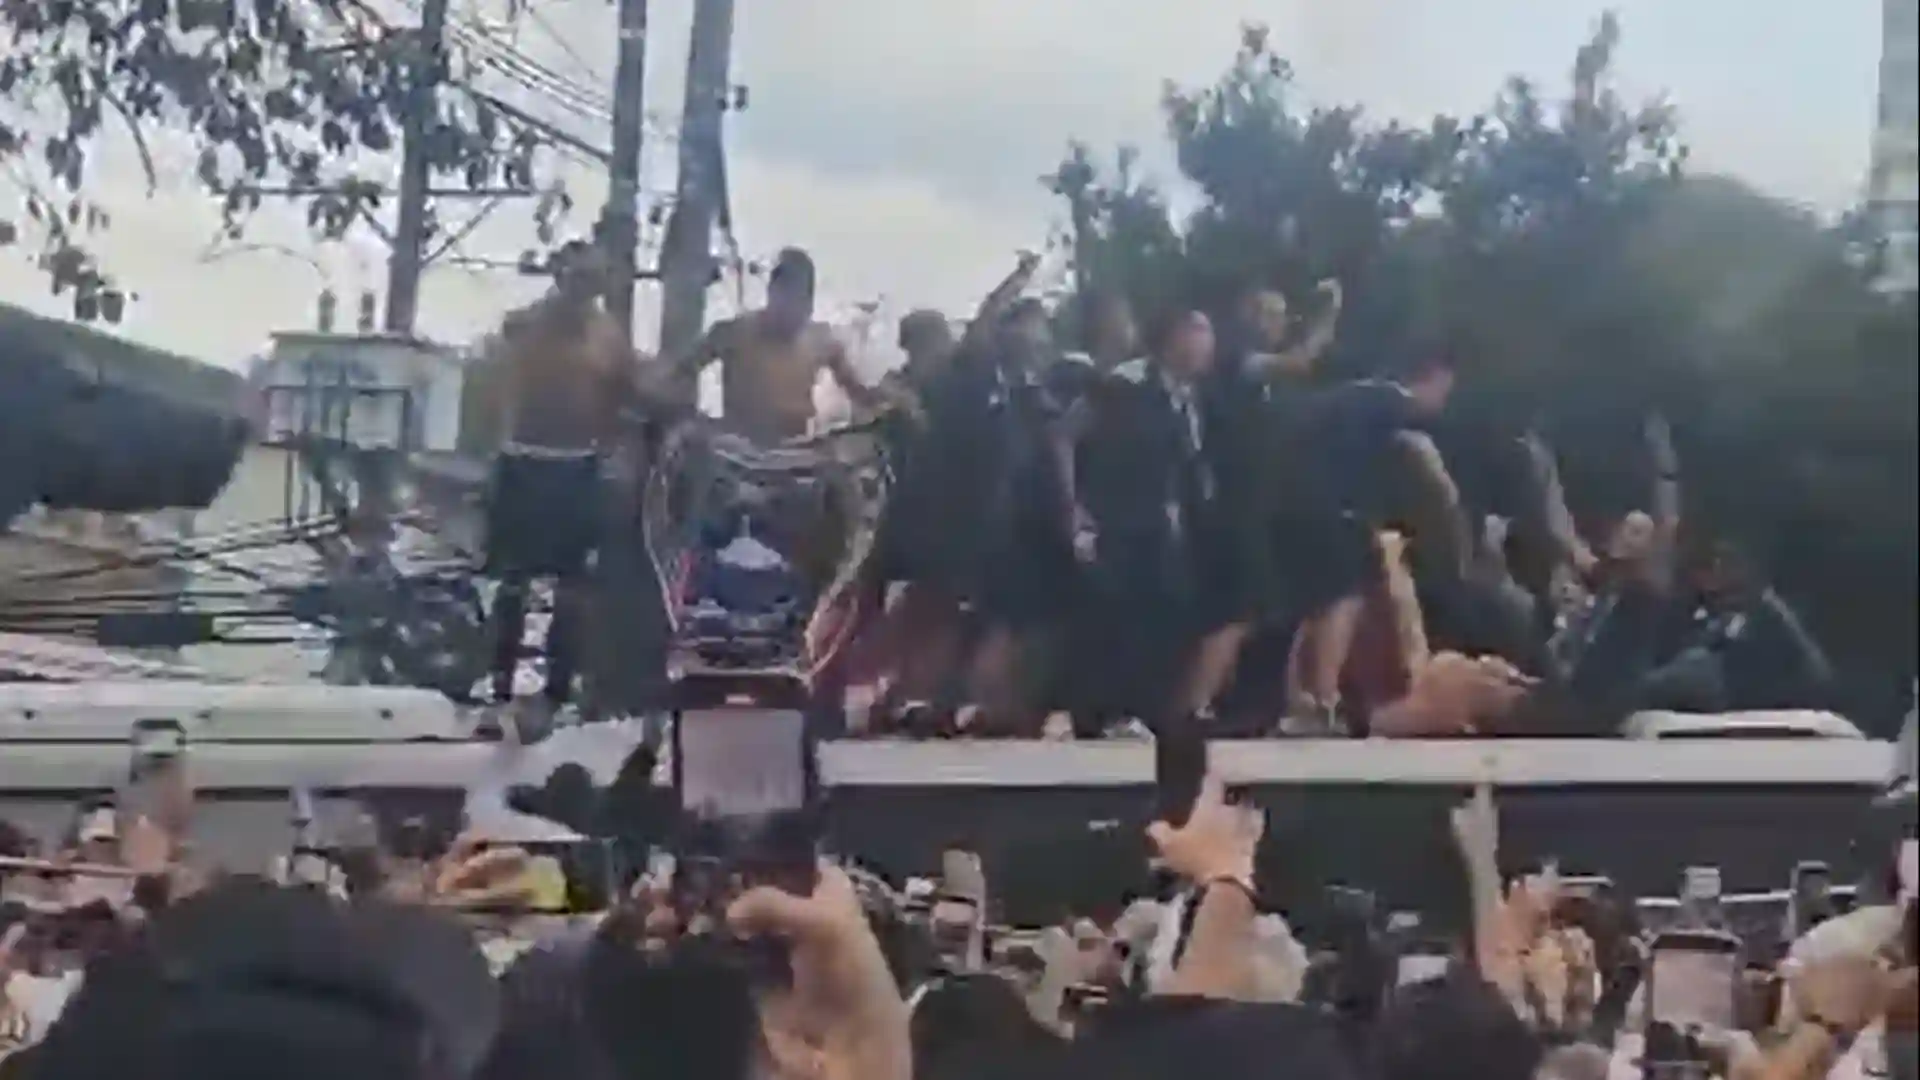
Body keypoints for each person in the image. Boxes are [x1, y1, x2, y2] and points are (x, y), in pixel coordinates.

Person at [479, 239, 637, 716]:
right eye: (577, 278)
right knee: (512, 582)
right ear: (559, 276)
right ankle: (499, 687)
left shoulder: (609, 337)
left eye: (594, 280)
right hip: (523, 462)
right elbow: (494, 391)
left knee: (574, 588)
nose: (584, 289)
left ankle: (558, 690)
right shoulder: (521, 325)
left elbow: (626, 393)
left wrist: (617, 452)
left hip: (577, 467)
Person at [1282, 346, 1461, 735]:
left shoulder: (1349, 396)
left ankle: (1299, 701)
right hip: (1337, 508)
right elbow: (1420, 452)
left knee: (1312, 603)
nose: (1440, 406)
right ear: (1429, 378)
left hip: (1297, 505)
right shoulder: (1389, 401)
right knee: (1342, 599)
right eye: (1443, 393)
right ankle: (1324, 701)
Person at [659, 247, 901, 444]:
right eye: (785, 297)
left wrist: (894, 403)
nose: (790, 310)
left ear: (808, 303)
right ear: (772, 294)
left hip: (797, 453)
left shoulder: (822, 340)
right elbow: (680, 371)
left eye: (799, 300)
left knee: (848, 490)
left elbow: (858, 391)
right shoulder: (731, 332)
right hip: (737, 454)